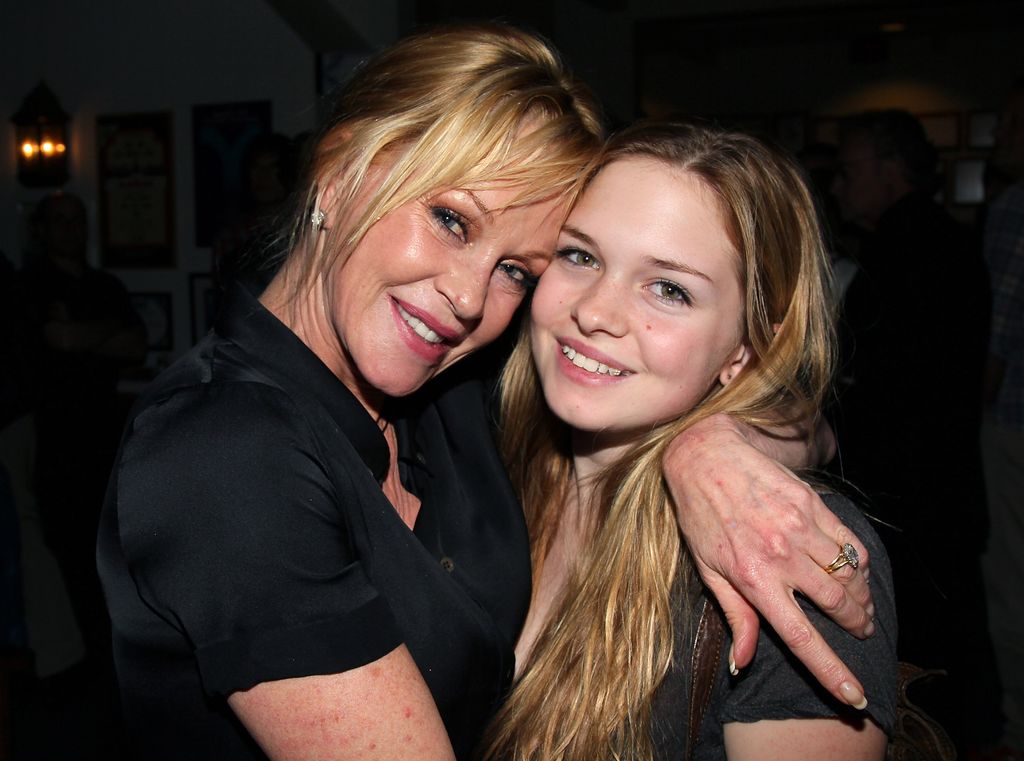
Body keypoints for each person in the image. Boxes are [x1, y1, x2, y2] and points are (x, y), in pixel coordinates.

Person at [98, 24, 874, 761]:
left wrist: (713, 445)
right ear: (338, 173)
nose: (470, 298)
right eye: (451, 220)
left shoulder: (455, 393)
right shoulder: (220, 449)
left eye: (519, 270)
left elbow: (807, 420)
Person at [482, 121, 896, 761]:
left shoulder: (779, 544)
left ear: (746, 348)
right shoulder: (477, 456)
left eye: (669, 289)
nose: (596, 311)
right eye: (580, 255)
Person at [829, 110, 995, 748]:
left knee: (929, 642)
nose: (840, 187)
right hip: (942, 481)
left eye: (849, 171)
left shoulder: (907, 251)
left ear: (890, 170)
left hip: (913, 491)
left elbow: (885, 387)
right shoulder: (937, 239)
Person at [980, 78, 1024, 761]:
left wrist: (974, 415)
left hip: (1013, 419)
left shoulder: (1016, 207)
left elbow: (999, 329)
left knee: (1012, 577)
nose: (999, 136)